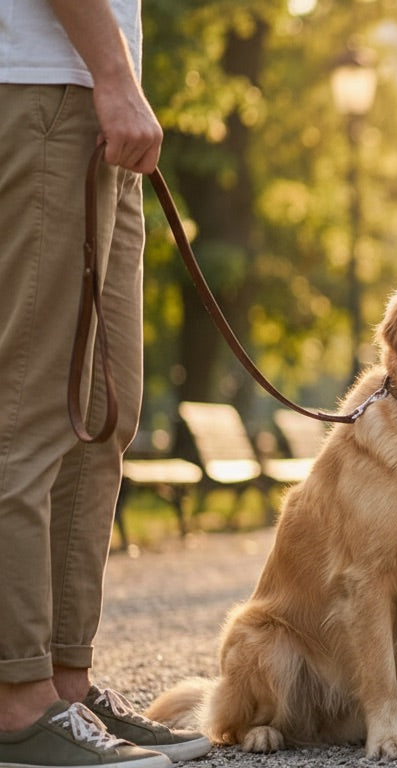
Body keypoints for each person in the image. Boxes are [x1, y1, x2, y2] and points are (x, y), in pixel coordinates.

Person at [0, 1, 210, 766]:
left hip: (92, 97)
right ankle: (16, 706)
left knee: (100, 415)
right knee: (29, 410)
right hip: (44, 89)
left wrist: (117, 80)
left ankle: (64, 684)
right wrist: (113, 75)